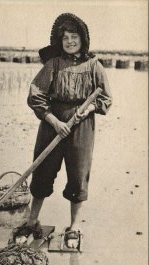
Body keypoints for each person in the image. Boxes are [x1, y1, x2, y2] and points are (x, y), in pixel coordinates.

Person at [17, 13, 112, 249]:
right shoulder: (54, 64)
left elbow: (106, 99)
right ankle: (32, 221)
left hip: (81, 126)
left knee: (78, 174)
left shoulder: (94, 66)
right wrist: (54, 121)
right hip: (52, 125)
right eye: (66, 38)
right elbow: (36, 95)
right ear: (60, 42)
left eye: (74, 37)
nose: (70, 41)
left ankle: (74, 226)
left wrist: (89, 107)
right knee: (42, 171)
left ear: (83, 39)